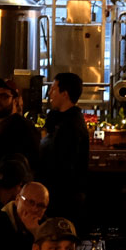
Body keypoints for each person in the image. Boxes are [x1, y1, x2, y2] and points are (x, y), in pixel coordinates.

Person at [38, 72, 89, 215]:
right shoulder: (59, 119)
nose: (49, 93)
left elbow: (64, 165)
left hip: (64, 199)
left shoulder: (72, 125)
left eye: (53, 89)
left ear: (65, 94)